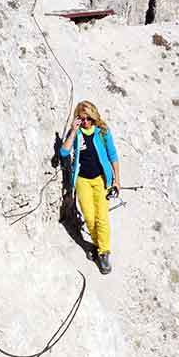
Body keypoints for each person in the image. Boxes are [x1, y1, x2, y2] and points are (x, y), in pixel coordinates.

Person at [60, 100, 121, 275]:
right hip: (82, 180)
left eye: (89, 118)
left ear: (94, 117)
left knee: (102, 217)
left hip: (101, 180)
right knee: (89, 217)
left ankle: (103, 253)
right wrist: (73, 130)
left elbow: (113, 155)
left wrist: (117, 180)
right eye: (82, 118)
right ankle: (96, 244)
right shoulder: (77, 133)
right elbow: (64, 152)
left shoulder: (102, 132)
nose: (86, 122)